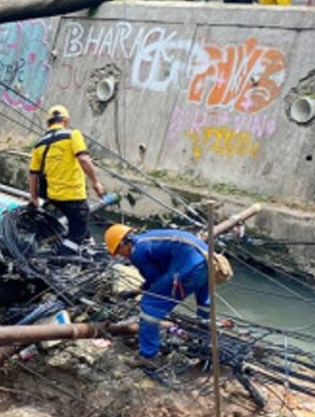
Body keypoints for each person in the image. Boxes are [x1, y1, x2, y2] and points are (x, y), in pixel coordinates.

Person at [104, 224, 210, 366]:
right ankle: (206, 347)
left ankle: (147, 357)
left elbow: (154, 281)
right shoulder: (147, 239)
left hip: (188, 269)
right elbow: (160, 276)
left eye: (118, 251)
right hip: (207, 261)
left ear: (124, 243)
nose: (120, 256)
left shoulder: (137, 253)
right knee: (204, 305)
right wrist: (140, 289)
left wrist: (141, 291)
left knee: (150, 306)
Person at [29, 105, 105, 255]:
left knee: (78, 222)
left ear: (48, 123)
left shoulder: (39, 144)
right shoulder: (72, 134)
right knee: (75, 235)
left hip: (54, 196)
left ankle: (87, 245)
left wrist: (33, 198)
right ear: (65, 121)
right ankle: (61, 260)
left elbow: (33, 174)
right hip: (73, 196)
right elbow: (83, 159)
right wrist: (95, 182)